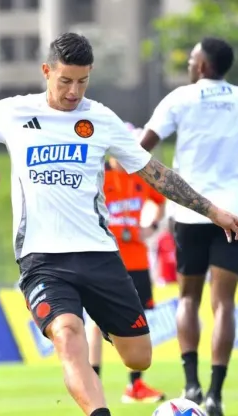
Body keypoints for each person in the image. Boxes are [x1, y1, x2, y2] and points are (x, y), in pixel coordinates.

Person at [0, 33, 238, 416]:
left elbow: (154, 172)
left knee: (140, 358)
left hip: (99, 255)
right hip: (42, 259)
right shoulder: (13, 112)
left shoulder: (100, 118)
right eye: (65, 80)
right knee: (68, 338)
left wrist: (213, 211)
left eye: (82, 81)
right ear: (46, 71)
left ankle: (105, 324)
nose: (73, 91)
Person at [139, 37, 238, 416]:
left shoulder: (179, 99)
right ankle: (216, 394)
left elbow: (141, 148)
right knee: (224, 304)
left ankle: (191, 385)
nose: (188, 63)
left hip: (189, 213)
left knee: (187, 299)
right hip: (233, 213)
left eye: (191, 58)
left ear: (201, 66)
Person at [86, 122, 167, 404]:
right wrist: (130, 232)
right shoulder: (99, 176)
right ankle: (92, 382)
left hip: (138, 261)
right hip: (107, 260)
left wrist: (152, 225)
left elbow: (160, 199)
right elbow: (93, 217)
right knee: (97, 323)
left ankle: (136, 386)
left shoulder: (139, 177)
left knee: (138, 321)